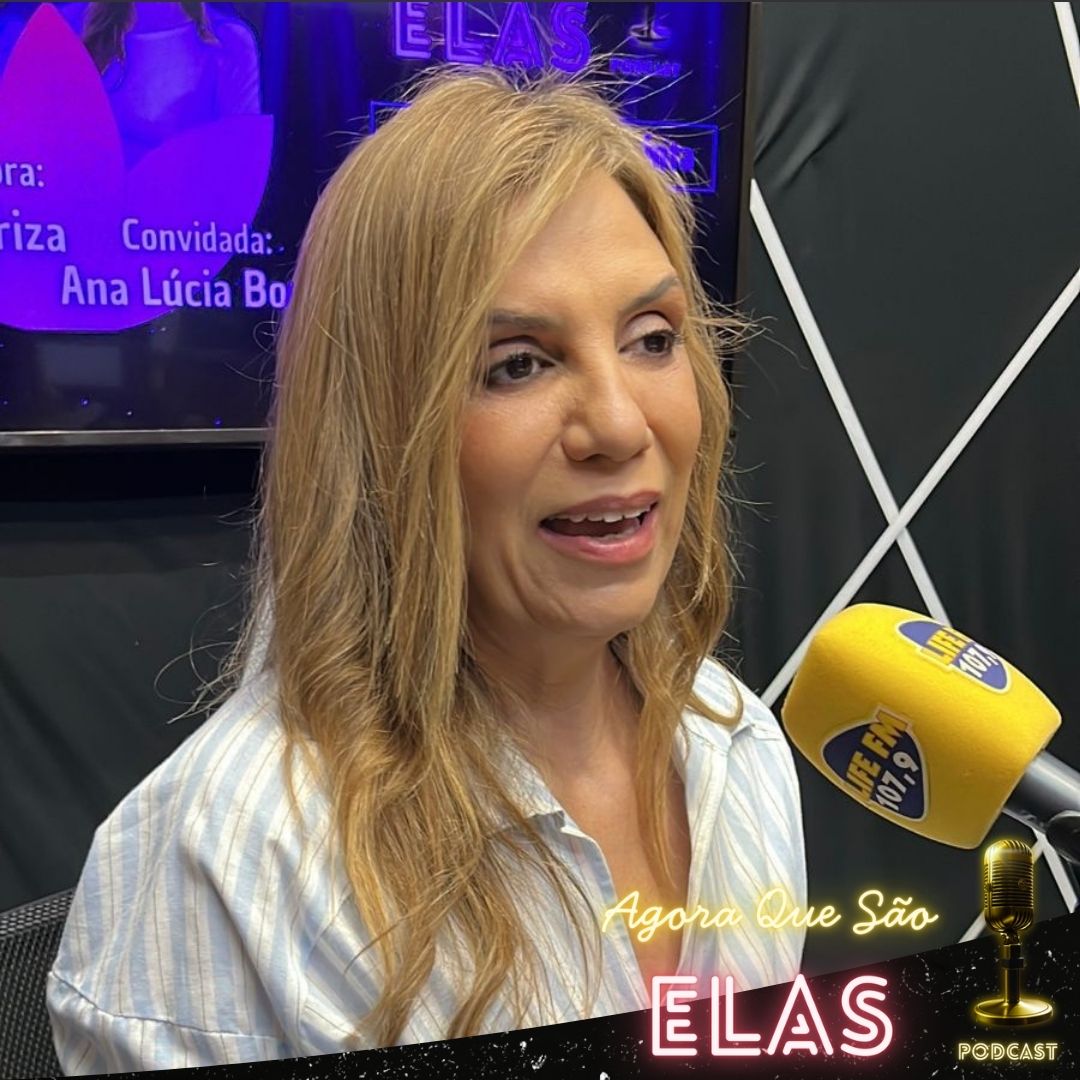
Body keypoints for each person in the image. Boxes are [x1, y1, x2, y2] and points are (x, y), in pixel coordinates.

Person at [46, 66, 807, 1072]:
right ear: (379, 435)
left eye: (652, 339)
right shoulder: (232, 861)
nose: (622, 425)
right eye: (518, 364)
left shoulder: (735, 740)